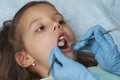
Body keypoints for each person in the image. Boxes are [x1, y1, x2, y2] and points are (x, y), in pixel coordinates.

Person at [0, 1, 119, 80]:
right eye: (41, 28)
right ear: (25, 58)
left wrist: (116, 70)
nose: (57, 25)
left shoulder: (99, 69)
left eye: (60, 21)